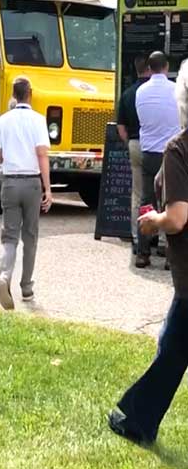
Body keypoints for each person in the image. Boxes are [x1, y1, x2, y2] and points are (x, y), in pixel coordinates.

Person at [108, 58, 188, 445]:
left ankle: (137, 419)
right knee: (172, 347)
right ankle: (138, 416)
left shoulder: (180, 149)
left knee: (171, 350)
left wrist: (151, 222)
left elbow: (177, 217)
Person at [0, 76, 52, 310]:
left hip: (10, 183)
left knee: (9, 236)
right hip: (31, 183)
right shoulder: (38, 120)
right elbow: (42, 155)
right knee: (30, 237)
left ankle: (4, 275)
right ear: (29, 93)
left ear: (13, 94)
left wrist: (9, 158)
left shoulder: (3, 120)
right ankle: (26, 287)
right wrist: (48, 188)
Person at [134, 51, 180, 268]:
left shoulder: (140, 92)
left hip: (149, 153)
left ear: (149, 68)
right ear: (166, 66)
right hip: (170, 154)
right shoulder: (175, 91)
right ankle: (170, 254)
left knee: (146, 202)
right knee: (171, 202)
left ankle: (143, 252)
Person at [116, 54, 151, 255]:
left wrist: (129, 142)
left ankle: (137, 237)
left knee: (137, 194)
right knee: (161, 192)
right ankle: (162, 239)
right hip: (159, 146)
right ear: (150, 69)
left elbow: (121, 128)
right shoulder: (162, 92)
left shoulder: (128, 94)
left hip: (136, 144)